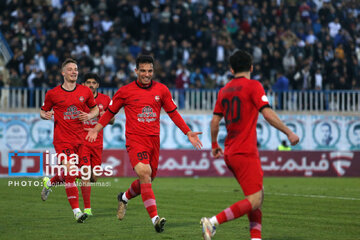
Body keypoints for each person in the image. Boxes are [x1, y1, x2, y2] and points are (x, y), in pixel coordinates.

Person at [85, 55, 203, 232]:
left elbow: (173, 113)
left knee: (147, 179)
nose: (147, 74)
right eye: (143, 71)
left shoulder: (162, 90)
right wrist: (96, 129)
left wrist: (188, 132)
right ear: (136, 71)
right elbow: (109, 112)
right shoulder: (125, 92)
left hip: (154, 141)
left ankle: (124, 197)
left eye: (150, 71)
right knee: (145, 173)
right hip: (135, 140)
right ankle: (155, 219)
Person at [201, 50, 299, 240]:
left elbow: (214, 122)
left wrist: (214, 144)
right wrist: (289, 132)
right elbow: (267, 113)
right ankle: (212, 222)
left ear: (231, 69)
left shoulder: (224, 91)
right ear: (251, 67)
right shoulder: (254, 86)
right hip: (245, 152)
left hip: (230, 151)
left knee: (257, 196)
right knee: (254, 199)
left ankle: (255, 238)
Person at [40, 58, 99, 223]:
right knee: (72, 173)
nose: (74, 72)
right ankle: (77, 212)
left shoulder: (85, 91)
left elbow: (95, 109)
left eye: (76, 69)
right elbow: (43, 112)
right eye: (71, 69)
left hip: (80, 140)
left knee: (83, 175)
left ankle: (50, 182)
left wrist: (89, 115)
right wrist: (46, 115)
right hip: (62, 141)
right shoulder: (52, 93)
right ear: (63, 72)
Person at [81, 72, 114, 216]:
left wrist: (103, 114)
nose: (91, 85)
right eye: (88, 82)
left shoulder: (106, 99)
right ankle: (87, 209)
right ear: (83, 84)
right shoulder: (78, 99)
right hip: (82, 142)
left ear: (98, 85)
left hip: (97, 143)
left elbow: (112, 120)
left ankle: (55, 179)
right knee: (86, 174)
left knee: (94, 177)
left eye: (93, 82)